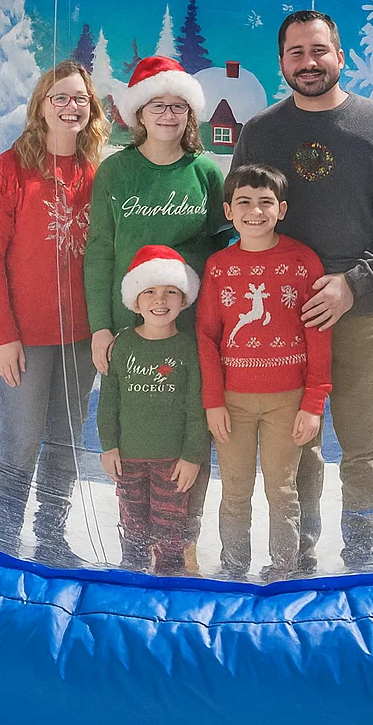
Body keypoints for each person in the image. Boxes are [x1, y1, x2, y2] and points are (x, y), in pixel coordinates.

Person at [231, 11, 373, 571]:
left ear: (340, 57)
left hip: (361, 313)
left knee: (362, 437)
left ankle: (364, 550)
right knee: (299, 442)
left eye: (319, 51)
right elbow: (245, 213)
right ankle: (300, 549)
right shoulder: (262, 132)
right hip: (281, 321)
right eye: (295, 52)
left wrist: (354, 282)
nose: (308, 62)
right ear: (281, 62)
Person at [85, 54, 232, 568]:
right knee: (140, 428)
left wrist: (218, 324)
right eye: (157, 106)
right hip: (130, 326)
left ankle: (183, 546)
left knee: (191, 430)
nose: (168, 115)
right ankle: (137, 541)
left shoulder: (207, 174)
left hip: (192, 326)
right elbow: (99, 251)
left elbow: (223, 251)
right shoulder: (116, 172)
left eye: (177, 106)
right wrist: (101, 326)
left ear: (190, 115)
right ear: (137, 114)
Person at [0, 58, 109, 566]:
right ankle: (2, 540)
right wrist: (2, 332)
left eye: (80, 99)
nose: (71, 107)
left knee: (67, 441)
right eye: (61, 98)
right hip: (23, 338)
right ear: (41, 107)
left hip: (77, 336)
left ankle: (51, 536)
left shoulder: (94, 173)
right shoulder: (11, 169)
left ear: (90, 109)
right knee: (22, 440)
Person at [197, 163, 332, 581]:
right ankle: (234, 568)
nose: (255, 211)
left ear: (282, 209)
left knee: (283, 490)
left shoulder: (302, 261)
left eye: (265, 203)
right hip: (232, 404)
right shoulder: (219, 267)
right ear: (229, 211)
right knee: (235, 491)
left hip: (287, 402)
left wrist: (312, 403)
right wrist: (214, 401)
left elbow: (318, 336)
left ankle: (284, 570)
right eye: (244, 203)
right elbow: (206, 336)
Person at [97, 245, 209, 574]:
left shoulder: (189, 347)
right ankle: (133, 582)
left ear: (184, 299)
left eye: (169, 292)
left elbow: (196, 407)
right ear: (135, 300)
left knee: (170, 533)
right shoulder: (123, 344)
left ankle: (170, 586)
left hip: (173, 463)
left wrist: (192, 456)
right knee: (132, 530)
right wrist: (108, 446)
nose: (160, 301)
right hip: (128, 459)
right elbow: (109, 400)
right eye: (150, 292)